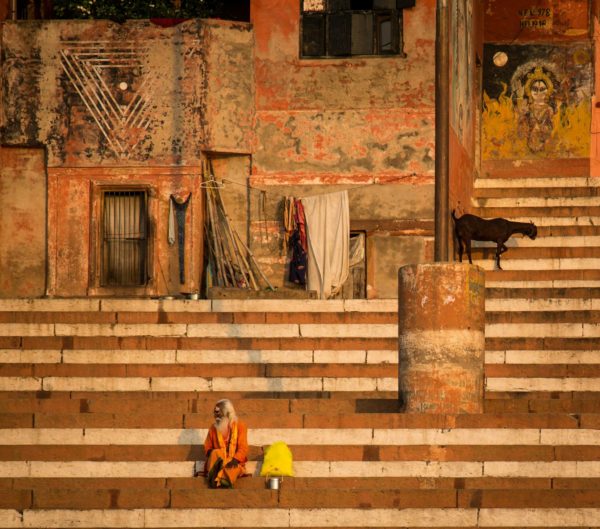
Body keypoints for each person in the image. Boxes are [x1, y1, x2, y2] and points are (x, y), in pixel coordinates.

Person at [202, 399, 248, 489]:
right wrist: (213, 453)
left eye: (218, 413)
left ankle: (218, 480)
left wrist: (235, 459)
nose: (216, 416)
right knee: (216, 453)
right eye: (215, 413)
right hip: (217, 462)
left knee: (234, 469)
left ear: (227, 413)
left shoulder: (240, 426)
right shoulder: (213, 428)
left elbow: (243, 447)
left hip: (233, 462)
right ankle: (217, 474)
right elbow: (207, 447)